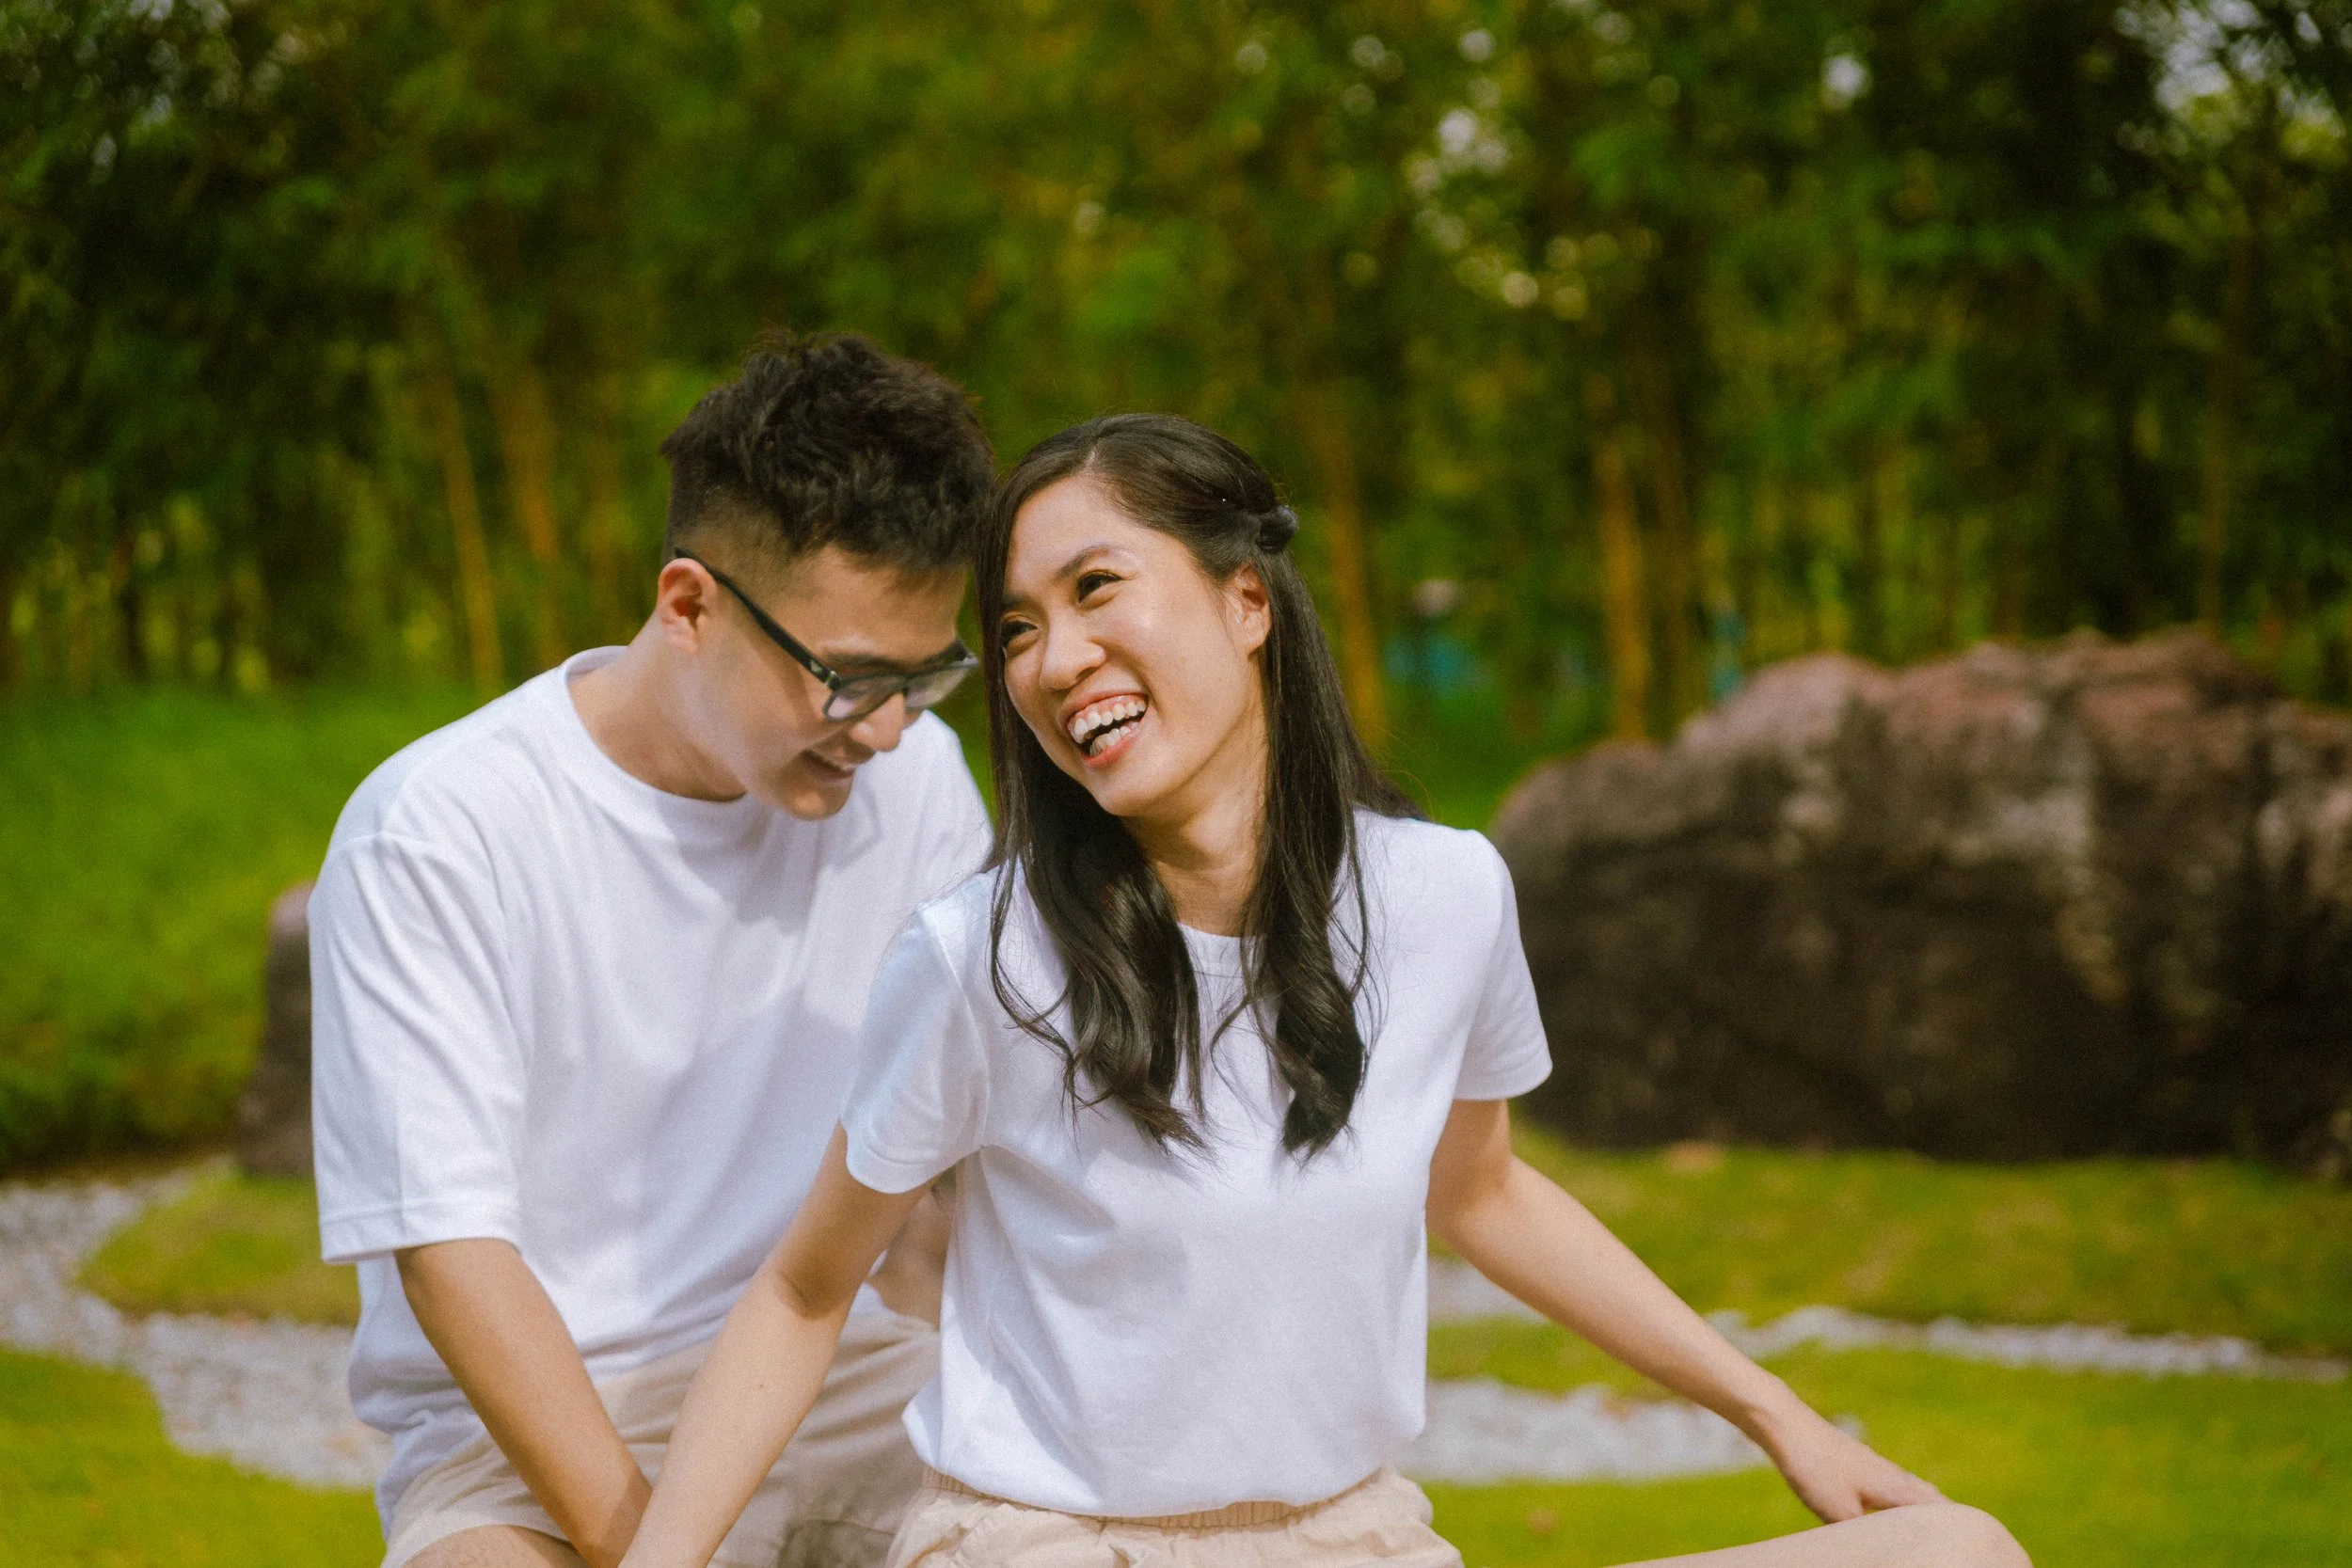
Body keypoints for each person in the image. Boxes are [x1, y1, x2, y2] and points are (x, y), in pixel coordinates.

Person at [614, 414, 2033, 1568]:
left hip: (1352, 1539)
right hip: (1048, 1544)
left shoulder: (1443, 897)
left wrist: (1780, 1416)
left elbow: (1483, 1192)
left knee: (1955, 1552)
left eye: (1096, 588)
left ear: (1246, 601)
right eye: (1020, 626)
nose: (1055, 658)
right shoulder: (984, 957)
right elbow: (806, 1288)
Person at [310, 333, 998, 1568]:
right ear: (689, 605)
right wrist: (664, 1548)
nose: (890, 731)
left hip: (835, 1375)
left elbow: (963, 1158)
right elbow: (453, 1257)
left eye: (926, 676)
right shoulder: (439, 832)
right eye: (849, 679)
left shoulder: (923, 791)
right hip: (525, 1434)